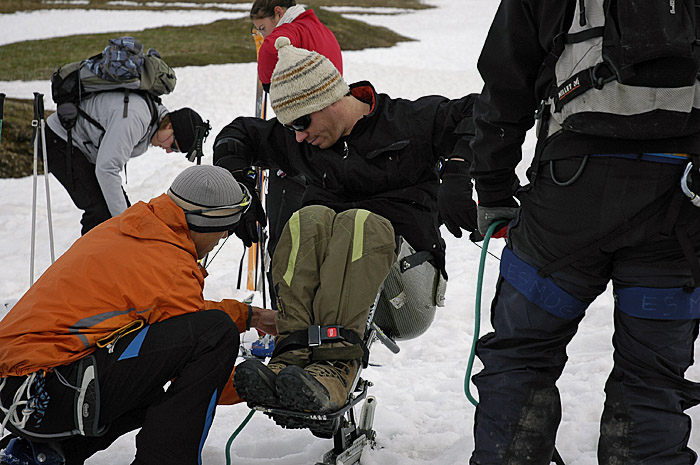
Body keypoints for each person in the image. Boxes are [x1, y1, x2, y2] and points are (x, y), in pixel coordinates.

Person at [469, 1, 700, 463]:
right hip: (680, 205)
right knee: (652, 376)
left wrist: (493, 186)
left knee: (521, 355)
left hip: (568, 201)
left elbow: (505, 80)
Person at [213, 37, 478, 415]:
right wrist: (238, 182)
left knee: (358, 222)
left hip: (404, 290)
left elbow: (479, 112)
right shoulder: (304, 141)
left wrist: (457, 173)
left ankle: (337, 367)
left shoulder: (405, 122)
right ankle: (292, 356)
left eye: (302, 123)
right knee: (307, 220)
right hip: (332, 287)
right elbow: (237, 133)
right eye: (292, 128)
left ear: (330, 99)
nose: (299, 136)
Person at [0, 165, 277, 465]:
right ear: (206, 224)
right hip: (45, 396)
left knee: (149, 379)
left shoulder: (137, 227)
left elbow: (174, 317)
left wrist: (251, 316)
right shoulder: (171, 266)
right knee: (216, 333)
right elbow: (199, 363)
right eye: (225, 228)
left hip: (19, 389)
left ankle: (45, 453)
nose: (223, 235)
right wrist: (264, 385)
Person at [250, 0, 344, 311]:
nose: (263, 35)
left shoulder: (282, 38)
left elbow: (276, 97)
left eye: (263, 28)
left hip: (295, 152)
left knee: (286, 244)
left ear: (278, 11)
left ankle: (285, 321)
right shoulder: (324, 31)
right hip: (327, 145)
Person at [45, 94, 208, 235]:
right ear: (170, 125)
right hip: (59, 139)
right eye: (173, 145)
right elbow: (107, 169)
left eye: (175, 151)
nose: (168, 151)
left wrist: (125, 218)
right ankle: (88, 267)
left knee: (122, 212)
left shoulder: (151, 123)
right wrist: (124, 222)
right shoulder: (136, 118)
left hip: (85, 150)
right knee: (100, 212)